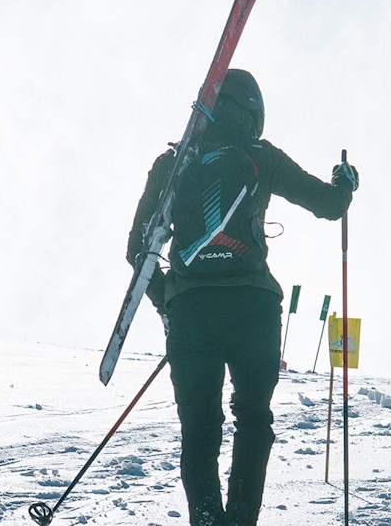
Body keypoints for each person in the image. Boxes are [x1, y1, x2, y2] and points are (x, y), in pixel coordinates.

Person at [127, 69, 356, 526]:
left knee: (199, 429)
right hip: (254, 307)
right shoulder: (260, 156)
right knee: (253, 418)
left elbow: (139, 250)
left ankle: (208, 520)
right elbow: (329, 205)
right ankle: (241, 520)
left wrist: (168, 303)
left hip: (191, 310)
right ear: (254, 112)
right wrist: (345, 181)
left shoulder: (172, 165)